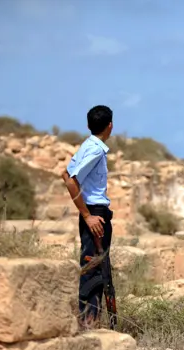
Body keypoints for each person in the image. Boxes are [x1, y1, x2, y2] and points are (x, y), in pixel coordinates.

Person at [61, 105, 117, 329]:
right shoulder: (95, 150)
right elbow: (70, 180)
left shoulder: (88, 145)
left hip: (94, 212)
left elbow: (65, 172)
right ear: (110, 126)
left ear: (88, 125)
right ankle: (88, 324)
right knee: (93, 268)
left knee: (97, 267)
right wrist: (87, 215)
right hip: (95, 214)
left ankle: (92, 322)